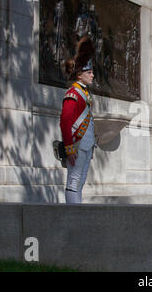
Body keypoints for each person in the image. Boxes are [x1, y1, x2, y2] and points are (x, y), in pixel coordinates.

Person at [60, 36, 96, 204]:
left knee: (80, 181)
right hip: (77, 144)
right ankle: (73, 217)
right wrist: (69, 148)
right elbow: (65, 121)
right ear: (80, 75)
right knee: (73, 182)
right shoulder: (73, 94)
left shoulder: (84, 94)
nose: (92, 75)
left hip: (86, 144)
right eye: (89, 72)